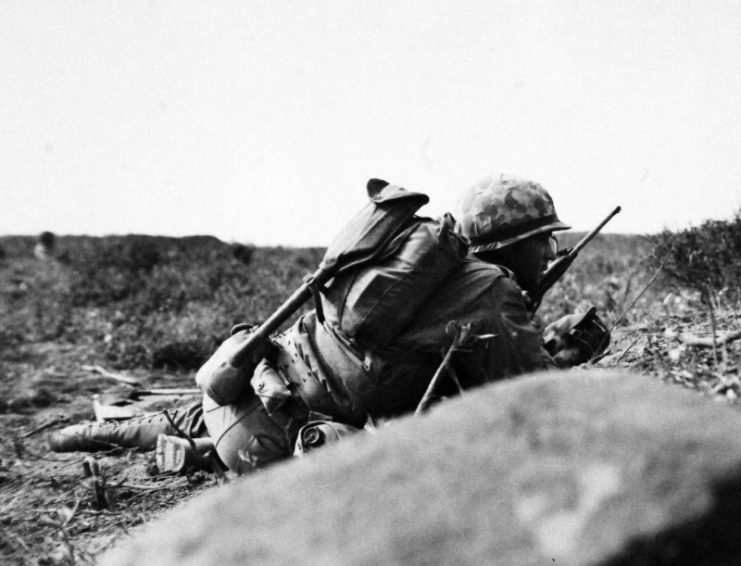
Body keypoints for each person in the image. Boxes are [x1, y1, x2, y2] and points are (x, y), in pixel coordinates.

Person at [49, 174, 608, 473]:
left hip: (251, 384)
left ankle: (82, 434)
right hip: (282, 445)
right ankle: (198, 456)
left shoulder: (428, 264)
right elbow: (529, 394)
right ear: (514, 243)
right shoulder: (491, 289)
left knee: (182, 419)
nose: (551, 250)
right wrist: (571, 353)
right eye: (544, 240)